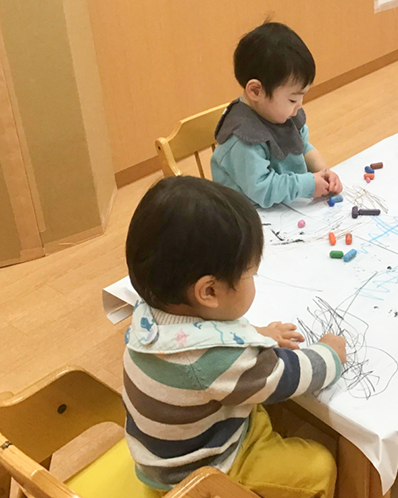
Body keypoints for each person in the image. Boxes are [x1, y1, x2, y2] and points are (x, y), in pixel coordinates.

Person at [123, 176, 346, 497]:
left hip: (161, 458)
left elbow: (205, 340)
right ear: (209, 292)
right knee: (318, 467)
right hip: (205, 475)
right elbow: (283, 376)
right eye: (250, 274)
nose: (254, 280)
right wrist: (329, 355)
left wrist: (256, 334)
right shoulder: (215, 360)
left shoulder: (149, 315)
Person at [211, 22, 342, 208]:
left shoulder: (281, 113)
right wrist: (306, 185)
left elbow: (303, 147)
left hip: (282, 207)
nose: (299, 106)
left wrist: (324, 171)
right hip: (247, 214)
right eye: (292, 99)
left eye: (302, 97)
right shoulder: (242, 138)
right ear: (256, 91)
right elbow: (262, 188)